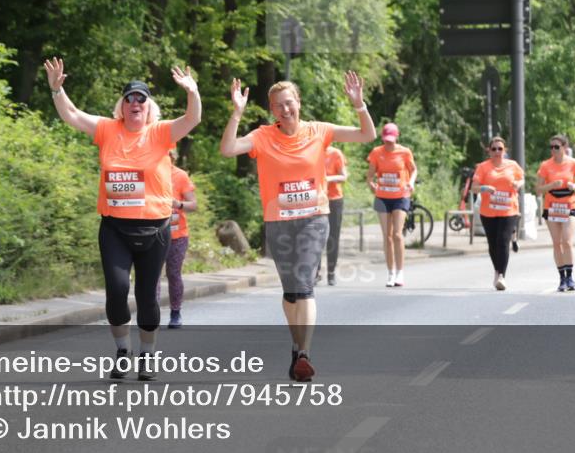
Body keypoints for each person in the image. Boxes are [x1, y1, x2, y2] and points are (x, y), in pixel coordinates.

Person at [44, 58, 201, 381]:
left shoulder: (160, 133)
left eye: (141, 99)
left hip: (155, 228)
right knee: (116, 290)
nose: (134, 104)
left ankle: (147, 354)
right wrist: (57, 89)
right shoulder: (107, 129)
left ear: (149, 107)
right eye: (129, 99)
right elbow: (72, 115)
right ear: (122, 106)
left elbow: (192, 118)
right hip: (115, 226)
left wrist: (192, 91)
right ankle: (121, 350)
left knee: (146, 295)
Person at [220, 73, 375, 382]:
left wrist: (359, 105)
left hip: (314, 219)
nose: (285, 110)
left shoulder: (319, 131)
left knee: (304, 285)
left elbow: (366, 135)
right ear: (272, 110)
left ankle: (304, 354)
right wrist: (236, 113)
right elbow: (227, 149)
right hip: (278, 223)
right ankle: (296, 347)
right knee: (290, 292)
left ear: (298, 103)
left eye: (289, 103)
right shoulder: (263, 136)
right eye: (278, 106)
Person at [367, 123, 417, 288]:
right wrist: (371, 183)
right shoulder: (376, 152)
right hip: (382, 197)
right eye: (386, 140)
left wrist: (410, 182)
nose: (388, 144)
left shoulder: (404, 152)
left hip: (400, 196)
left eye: (391, 140)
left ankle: (400, 272)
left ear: (397, 137)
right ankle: (390, 272)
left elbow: (414, 170)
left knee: (397, 234)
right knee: (387, 236)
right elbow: (370, 175)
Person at [536, 134, 575, 292]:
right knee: (557, 242)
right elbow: (538, 189)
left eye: (556, 147)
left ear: (565, 148)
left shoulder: (574, 163)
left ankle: (570, 277)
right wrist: (551, 185)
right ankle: (562, 278)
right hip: (552, 206)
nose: (553, 150)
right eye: (551, 147)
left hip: (570, 204)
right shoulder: (545, 165)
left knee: (567, 240)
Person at [472, 136, 525, 291]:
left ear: (504, 150)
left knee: (503, 241)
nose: (497, 151)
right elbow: (474, 188)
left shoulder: (512, 165)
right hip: (488, 211)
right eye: (493, 149)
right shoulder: (483, 167)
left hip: (509, 210)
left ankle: (501, 275)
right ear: (489, 151)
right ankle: (497, 270)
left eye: (500, 149)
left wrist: (517, 184)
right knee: (492, 244)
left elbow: (522, 179)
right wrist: (484, 188)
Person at [163, 149, 196, 329]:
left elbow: (193, 204)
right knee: (151, 276)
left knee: (173, 273)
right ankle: (150, 313)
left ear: (172, 157)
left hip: (177, 235)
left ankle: (176, 313)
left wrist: (179, 204)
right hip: (153, 234)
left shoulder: (180, 176)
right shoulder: (147, 173)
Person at [320, 146, 348, 286]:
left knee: (333, 237)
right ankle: (315, 272)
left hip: (334, 199)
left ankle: (331, 273)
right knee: (315, 237)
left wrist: (328, 178)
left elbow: (344, 176)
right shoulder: (310, 151)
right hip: (316, 199)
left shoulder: (335, 153)